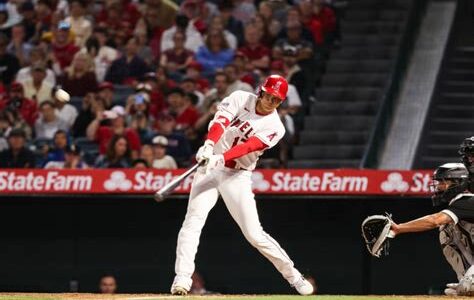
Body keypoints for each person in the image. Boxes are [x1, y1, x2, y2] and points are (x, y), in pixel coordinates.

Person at [170, 75, 314, 296]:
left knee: (254, 234)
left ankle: (294, 276)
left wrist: (220, 158)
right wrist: (209, 145)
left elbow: (249, 146)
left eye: (276, 99)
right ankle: (182, 279)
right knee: (193, 222)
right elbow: (220, 122)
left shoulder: (276, 126)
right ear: (261, 91)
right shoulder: (239, 97)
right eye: (269, 95)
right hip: (209, 166)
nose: (270, 101)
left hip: (236, 175)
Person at [389, 163, 474, 296]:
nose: (438, 186)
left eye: (443, 181)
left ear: (458, 182)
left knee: (468, 288)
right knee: (446, 231)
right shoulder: (460, 203)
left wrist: (398, 228)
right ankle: (467, 279)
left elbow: (434, 220)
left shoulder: (468, 201)